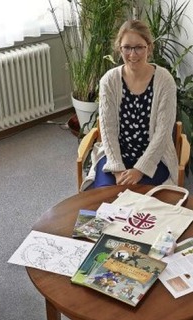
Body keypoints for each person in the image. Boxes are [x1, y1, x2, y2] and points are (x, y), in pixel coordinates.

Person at [80, 19, 179, 191]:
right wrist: (117, 169)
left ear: (149, 46)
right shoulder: (109, 81)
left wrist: (140, 170)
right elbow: (108, 130)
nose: (133, 54)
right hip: (116, 157)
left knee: (142, 204)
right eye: (127, 47)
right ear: (120, 48)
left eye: (139, 47)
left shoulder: (165, 81)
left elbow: (163, 133)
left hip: (153, 159)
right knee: (105, 197)